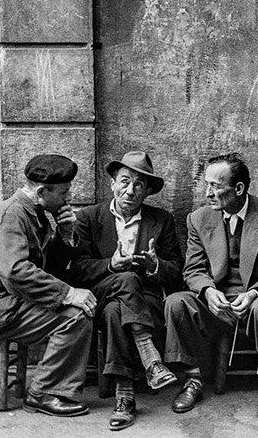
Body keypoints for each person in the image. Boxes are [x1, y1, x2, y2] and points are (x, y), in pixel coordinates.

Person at [164, 153, 258, 418]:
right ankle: (192, 380)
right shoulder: (198, 219)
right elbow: (193, 268)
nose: (208, 193)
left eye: (216, 186)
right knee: (176, 302)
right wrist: (207, 290)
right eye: (207, 185)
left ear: (238, 188)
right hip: (216, 302)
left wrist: (253, 293)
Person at [0, 154, 97, 417]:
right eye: (65, 192)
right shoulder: (9, 214)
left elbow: (47, 270)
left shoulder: (36, 214)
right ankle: (43, 393)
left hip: (10, 303)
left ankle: (55, 384)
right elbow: (15, 273)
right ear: (42, 191)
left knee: (80, 312)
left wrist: (65, 234)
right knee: (75, 317)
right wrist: (68, 293)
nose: (68, 198)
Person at [67, 151, 184, 431]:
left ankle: (125, 397)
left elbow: (177, 271)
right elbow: (77, 270)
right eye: (124, 181)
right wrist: (111, 265)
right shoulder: (88, 218)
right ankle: (150, 358)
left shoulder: (161, 220)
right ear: (112, 184)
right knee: (124, 280)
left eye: (139, 185)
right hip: (100, 292)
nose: (130, 191)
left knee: (114, 312)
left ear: (146, 192)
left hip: (146, 301)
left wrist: (156, 265)